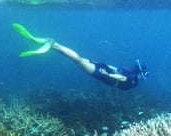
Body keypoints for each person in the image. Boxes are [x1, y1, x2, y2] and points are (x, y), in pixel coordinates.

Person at [13, 23, 148, 90]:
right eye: (144, 75)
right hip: (104, 74)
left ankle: (53, 45)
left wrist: (100, 65)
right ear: (139, 72)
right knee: (78, 60)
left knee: (78, 61)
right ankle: (54, 44)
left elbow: (115, 67)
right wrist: (109, 75)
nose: (144, 78)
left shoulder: (129, 71)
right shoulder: (133, 80)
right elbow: (122, 78)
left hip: (104, 69)